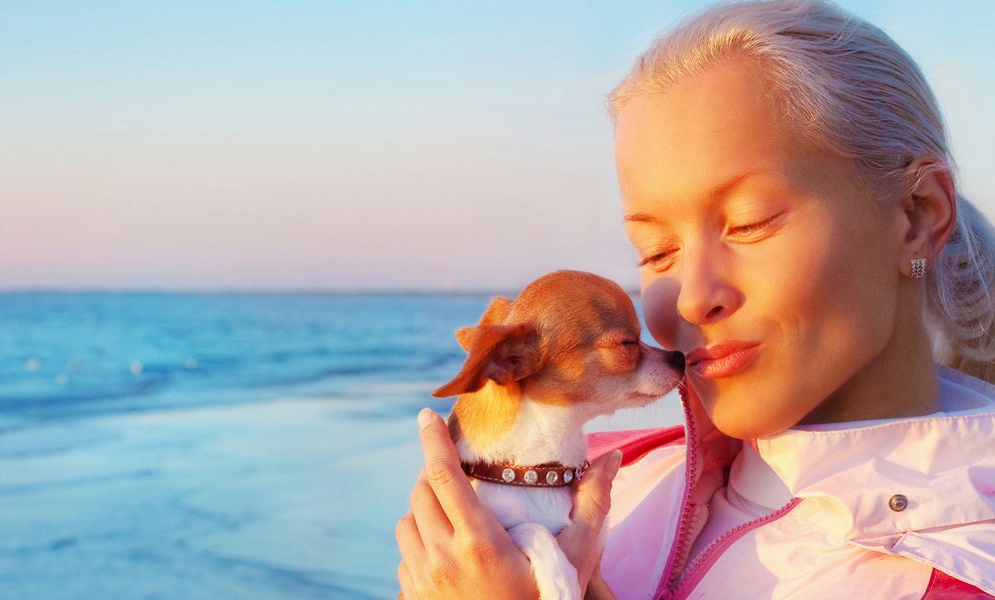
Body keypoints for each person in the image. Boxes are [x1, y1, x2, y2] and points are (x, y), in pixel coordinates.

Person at [395, 1, 995, 597]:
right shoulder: (605, 470)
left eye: (749, 223)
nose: (689, 300)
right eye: (657, 252)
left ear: (917, 217)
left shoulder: (948, 578)